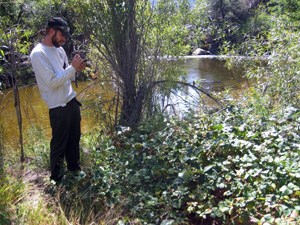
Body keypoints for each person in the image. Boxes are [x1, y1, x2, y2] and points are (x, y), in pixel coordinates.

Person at [30, 17, 86, 183]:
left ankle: (74, 170)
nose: (65, 39)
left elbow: (65, 76)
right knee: (59, 144)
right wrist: (71, 69)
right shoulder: (38, 54)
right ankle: (57, 179)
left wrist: (76, 70)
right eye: (62, 35)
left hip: (71, 100)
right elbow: (53, 82)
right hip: (57, 106)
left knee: (74, 138)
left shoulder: (60, 50)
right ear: (51, 31)